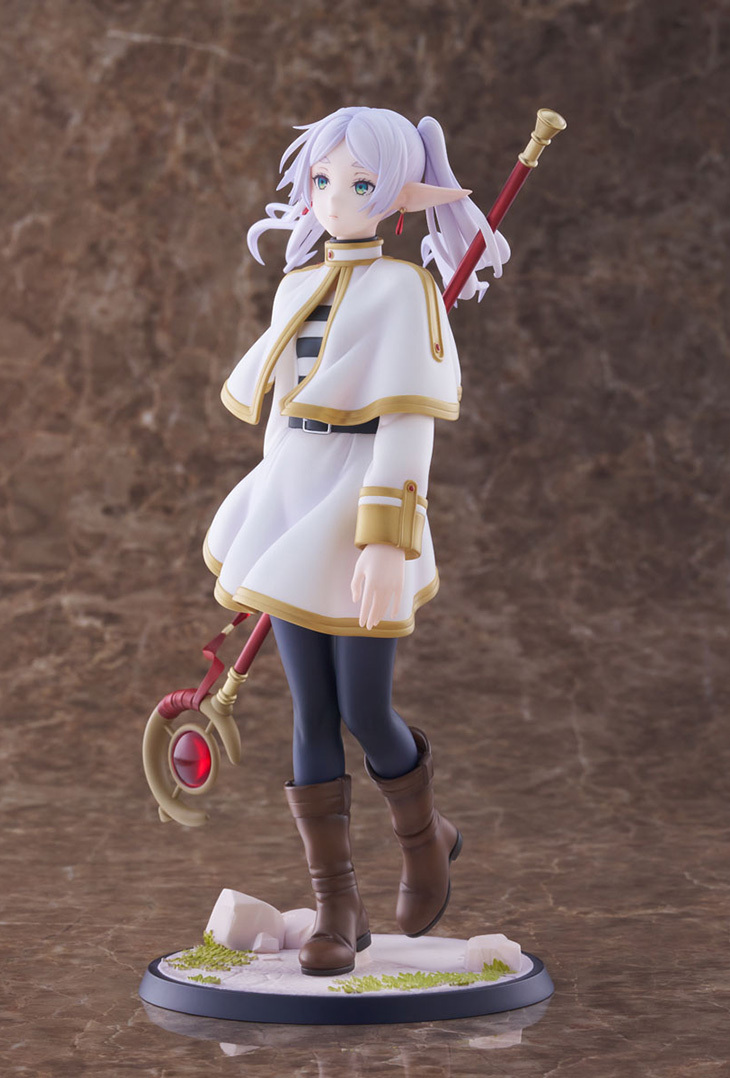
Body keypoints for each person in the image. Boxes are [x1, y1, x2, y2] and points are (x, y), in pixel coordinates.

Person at [203, 106, 509, 976]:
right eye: (324, 179)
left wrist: (386, 541)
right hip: (297, 507)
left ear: (400, 197)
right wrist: (267, 524)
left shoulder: (405, 291)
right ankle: (338, 905)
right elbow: (283, 420)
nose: (335, 197)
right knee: (311, 712)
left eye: (361, 182)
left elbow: (409, 423)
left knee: (365, 710)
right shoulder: (296, 285)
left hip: (364, 504)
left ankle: (424, 837)